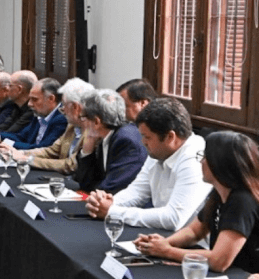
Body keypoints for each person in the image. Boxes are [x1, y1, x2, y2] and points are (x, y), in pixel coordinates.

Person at [134, 131, 259, 273]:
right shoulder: (220, 192)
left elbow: (219, 261)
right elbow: (194, 231)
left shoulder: (243, 201)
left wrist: (166, 251)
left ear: (220, 164)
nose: (201, 161)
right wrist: (163, 243)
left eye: (205, 157)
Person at [85, 98, 211, 230]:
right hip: (162, 235)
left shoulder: (196, 160)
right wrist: (106, 203)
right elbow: (137, 191)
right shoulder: (160, 150)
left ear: (170, 137)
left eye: (147, 137)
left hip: (188, 240)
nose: (143, 142)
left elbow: (174, 218)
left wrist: (113, 212)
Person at [9, 78, 94, 174]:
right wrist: (20, 153)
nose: (62, 109)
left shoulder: (92, 132)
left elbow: (71, 165)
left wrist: (28, 159)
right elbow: (51, 151)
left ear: (76, 107)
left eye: (64, 105)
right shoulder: (71, 126)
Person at [71, 89, 148, 193]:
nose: (82, 123)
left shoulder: (126, 140)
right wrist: (87, 149)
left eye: (83, 117)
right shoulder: (106, 136)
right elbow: (85, 183)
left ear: (97, 122)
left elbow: (111, 189)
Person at [0, 78, 66, 150]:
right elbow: (21, 136)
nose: (29, 104)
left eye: (34, 99)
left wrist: (5, 143)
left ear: (51, 99)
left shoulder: (62, 119)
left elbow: (42, 149)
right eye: (29, 99)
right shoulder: (40, 114)